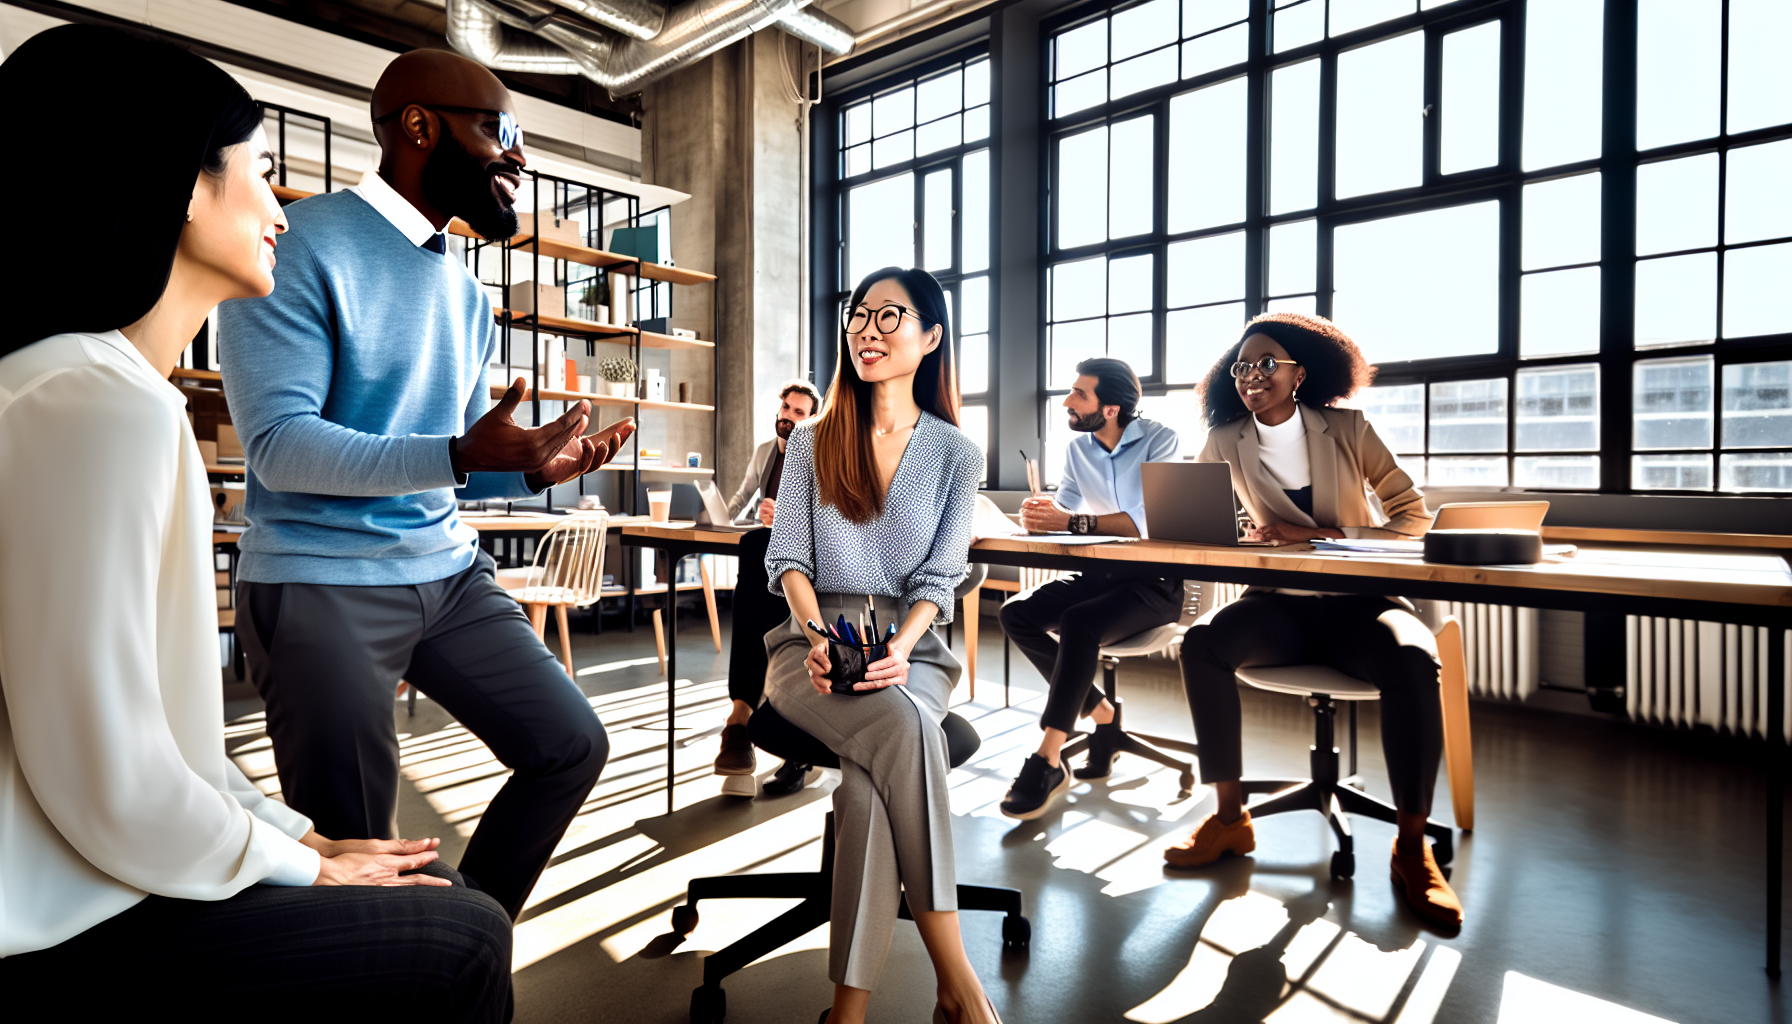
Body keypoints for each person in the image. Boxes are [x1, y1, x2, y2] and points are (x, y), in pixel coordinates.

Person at [0, 26, 511, 1020]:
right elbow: (112, 775)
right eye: (260, 173)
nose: (280, 209)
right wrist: (295, 862)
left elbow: (165, 747)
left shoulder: (89, 393)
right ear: (179, 186)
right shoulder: (95, 410)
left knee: (443, 887)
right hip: (60, 923)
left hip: (94, 874)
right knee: (464, 935)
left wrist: (297, 838)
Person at [216, 49, 634, 922]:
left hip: (444, 572)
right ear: (419, 127)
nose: (517, 157)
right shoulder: (296, 245)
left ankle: (456, 940)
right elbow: (281, 447)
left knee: (568, 744)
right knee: (358, 847)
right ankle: (408, 953)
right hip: (318, 577)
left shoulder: (468, 291)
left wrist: (531, 467)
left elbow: (461, 452)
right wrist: (458, 455)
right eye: (499, 130)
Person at [1163, 312, 1462, 931]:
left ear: (1302, 372)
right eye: (1243, 366)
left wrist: (1323, 535)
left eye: (1268, 363)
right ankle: (1228, 819)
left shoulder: (1349, 430)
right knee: (1203, 644)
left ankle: (1411, 848)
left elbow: (1412, 516)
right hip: (1280, 605)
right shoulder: (1226, 439)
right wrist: (1235, 538)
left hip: (1363, 603)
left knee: (1414, 659)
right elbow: (1197, 522)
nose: (1252, 375)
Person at [763, 267, 999, 1024]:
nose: (866, 328)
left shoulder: (957, 454)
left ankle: (849, 1012)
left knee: (870, 778)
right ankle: (956, 981)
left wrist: (899, 647)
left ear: (931, 337)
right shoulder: (810, 440)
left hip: (915, 650)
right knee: (897, 738)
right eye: (858, 314)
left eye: (888, 316)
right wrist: (818, 637)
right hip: (811, 644)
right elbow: (788, 560)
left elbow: (940, 577)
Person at [995, 358, 1183, 820]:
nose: (1067, 401)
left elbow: (1147, 521)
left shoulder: (1161, 440)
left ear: (1112, 408)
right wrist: (1041, 518)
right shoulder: (1079, 450)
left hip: (1154, 583)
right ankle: (1098, 709)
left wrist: (1069, 520)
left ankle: (1047, 758)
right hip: (1099, 575)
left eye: (1079, 394)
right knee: (1015, 614)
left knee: (1079, 622)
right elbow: (1068, 516)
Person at [713, 379, 824, 796]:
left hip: (812, 561)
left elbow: (830, 514)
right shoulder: (765, 451)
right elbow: (741, 498)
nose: (789, 417)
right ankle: (741, 714)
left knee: (760, 556)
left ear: (812, 419)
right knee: (754, 546)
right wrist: (715, 514)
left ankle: (764, 729)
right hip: (766, 553)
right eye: (786, 409)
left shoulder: (818, 454)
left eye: (799, 412)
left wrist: (790, 518)